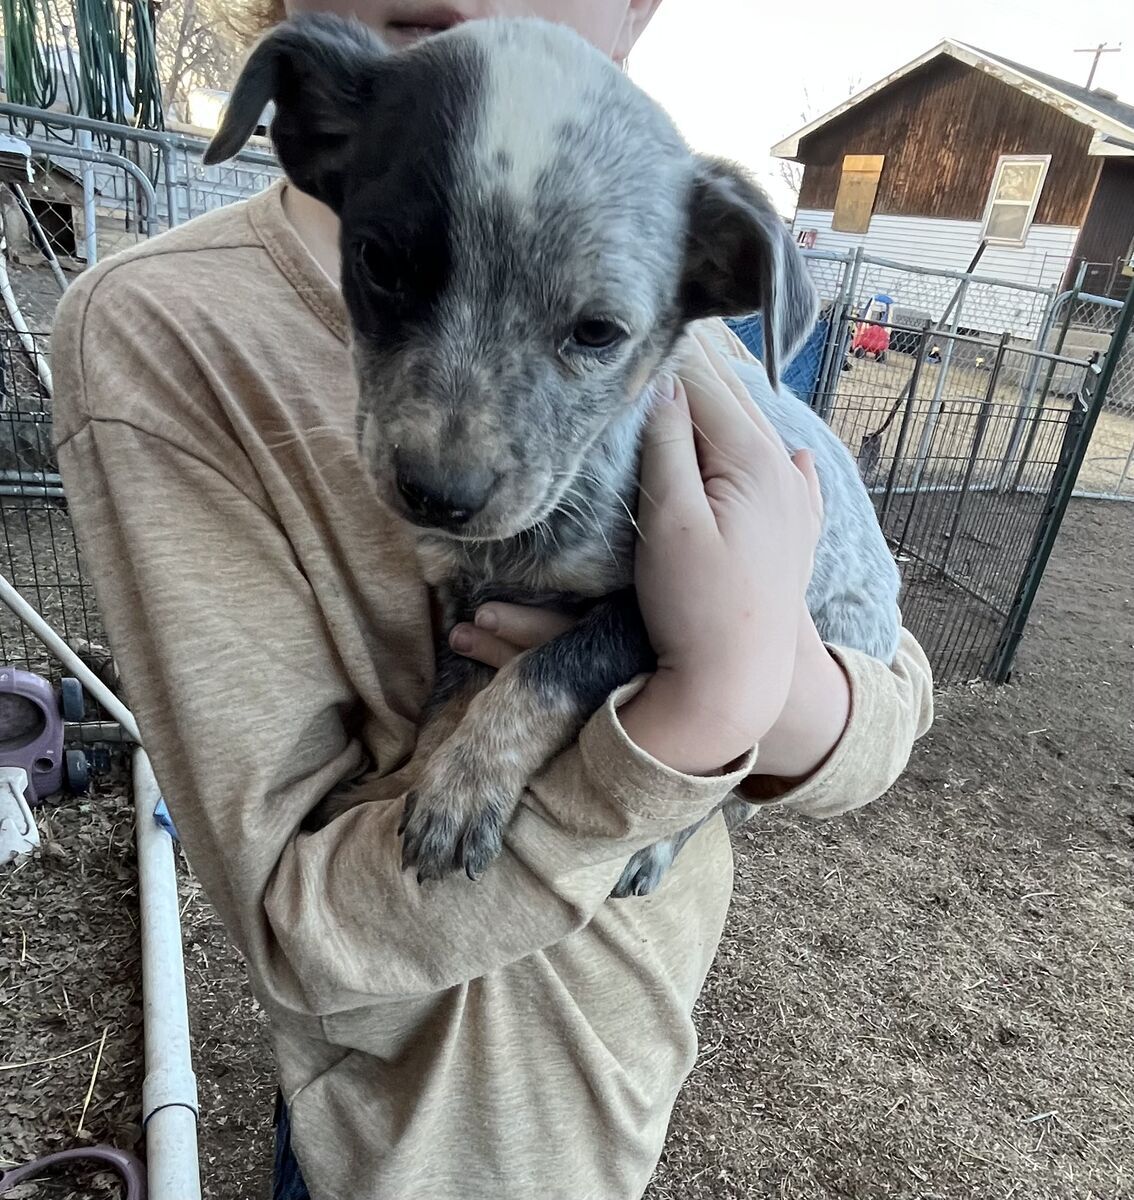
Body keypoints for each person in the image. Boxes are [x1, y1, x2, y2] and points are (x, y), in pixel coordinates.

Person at [50, 2, 934, 1197]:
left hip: (624, 1071)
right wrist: (703, 700)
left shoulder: (693, 320)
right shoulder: (165, 337)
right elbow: (300, 932)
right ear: (311, 131)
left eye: (590, 332)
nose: (447, 452)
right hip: (397, 1134)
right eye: (389, 269)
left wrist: (752, 686)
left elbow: (883, 689)